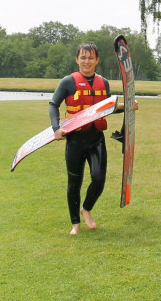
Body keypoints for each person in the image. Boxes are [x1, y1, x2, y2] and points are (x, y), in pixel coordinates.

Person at [48, 42, 137, 235]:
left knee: (98, 179)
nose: (86, 61)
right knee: (74, 182)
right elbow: (53, 105)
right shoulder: (68, 82)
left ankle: (86, 208)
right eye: (83, 57)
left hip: (96, 139)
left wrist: (128, 106)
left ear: (97, 60)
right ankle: (75, 224)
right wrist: (56, 129)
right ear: (77, 59)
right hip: (74, 140)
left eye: (90, 58)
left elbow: (108, 108)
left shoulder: (103, 83)